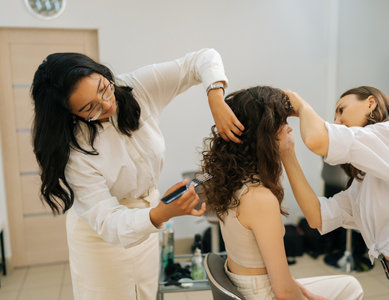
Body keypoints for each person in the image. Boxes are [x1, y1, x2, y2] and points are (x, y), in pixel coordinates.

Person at [30, 48, 244, 300]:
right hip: (100, 238)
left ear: (103, 73)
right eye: (91, 108)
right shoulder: (74, 151)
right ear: (70, 114)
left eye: (104, 88)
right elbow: (109, 223)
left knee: (145, 292)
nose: (107, 104)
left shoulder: (136, 87)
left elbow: (203, 58)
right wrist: (161, 214)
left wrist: (215, 98)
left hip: (147, 222)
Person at [279, 86, 389, 299]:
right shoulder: (366, 181)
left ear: (371, 103)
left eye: (342, 110)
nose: (337, 121)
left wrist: (301, 105)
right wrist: (287, 153)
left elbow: (317, 139)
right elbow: (317, 216)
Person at [201, 86, 364, 300]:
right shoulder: (260, 199)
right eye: (284, 122)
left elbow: (281, 280)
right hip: (261, 294)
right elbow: (284, 293)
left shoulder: (232, 181)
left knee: (349, 284)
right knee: (352, 288)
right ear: (263, 133)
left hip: (249, 284)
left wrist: (287, 152)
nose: (290, 129)